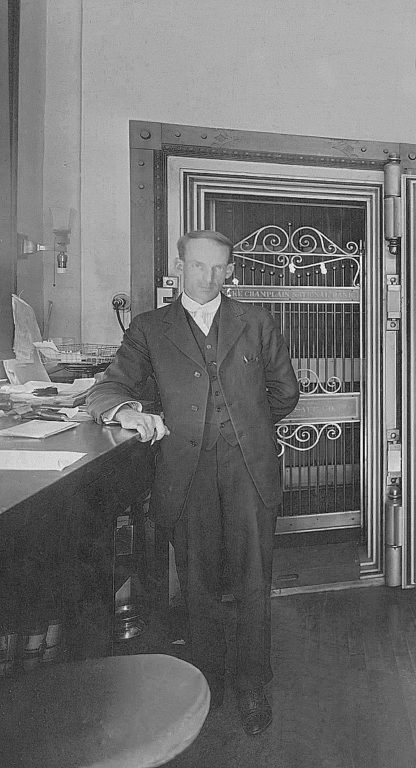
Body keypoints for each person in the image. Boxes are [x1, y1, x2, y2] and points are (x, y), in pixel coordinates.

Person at [87, 230, 299, 736]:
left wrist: (244, 426)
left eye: (219, 267)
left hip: (249, 469)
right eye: (199, 265)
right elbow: (109, 386)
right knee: (198, 584)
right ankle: (208, 683)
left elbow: (285, 394)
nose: (209, 277)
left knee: (253, 581)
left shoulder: (257, 321)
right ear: (179, 266)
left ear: (230, 270)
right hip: (185, 470)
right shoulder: (149, 327)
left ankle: (252, 685)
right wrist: (127, 411)